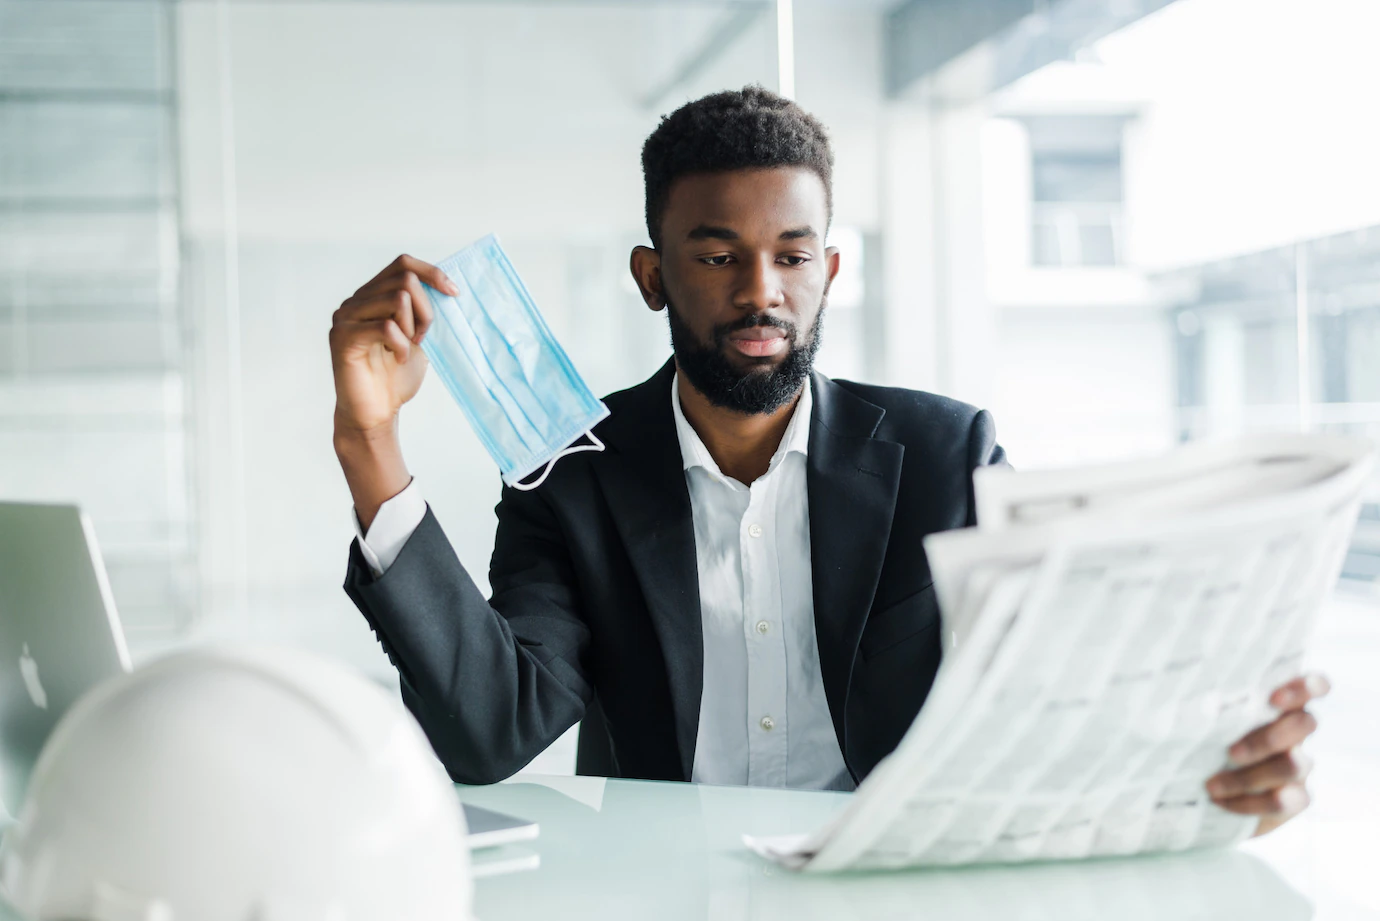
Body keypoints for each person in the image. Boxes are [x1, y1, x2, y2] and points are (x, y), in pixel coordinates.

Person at [330, 86, 1323, 835]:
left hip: (890, 882)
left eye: (793, 256)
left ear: (831, 273)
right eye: (718, 257)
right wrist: (369, 442)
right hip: (668, 893)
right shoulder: (575, 473)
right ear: (652, 276)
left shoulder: (947, 456)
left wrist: (1199, 759)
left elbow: (1049, 686)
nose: (761, 291)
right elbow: (491, 733)